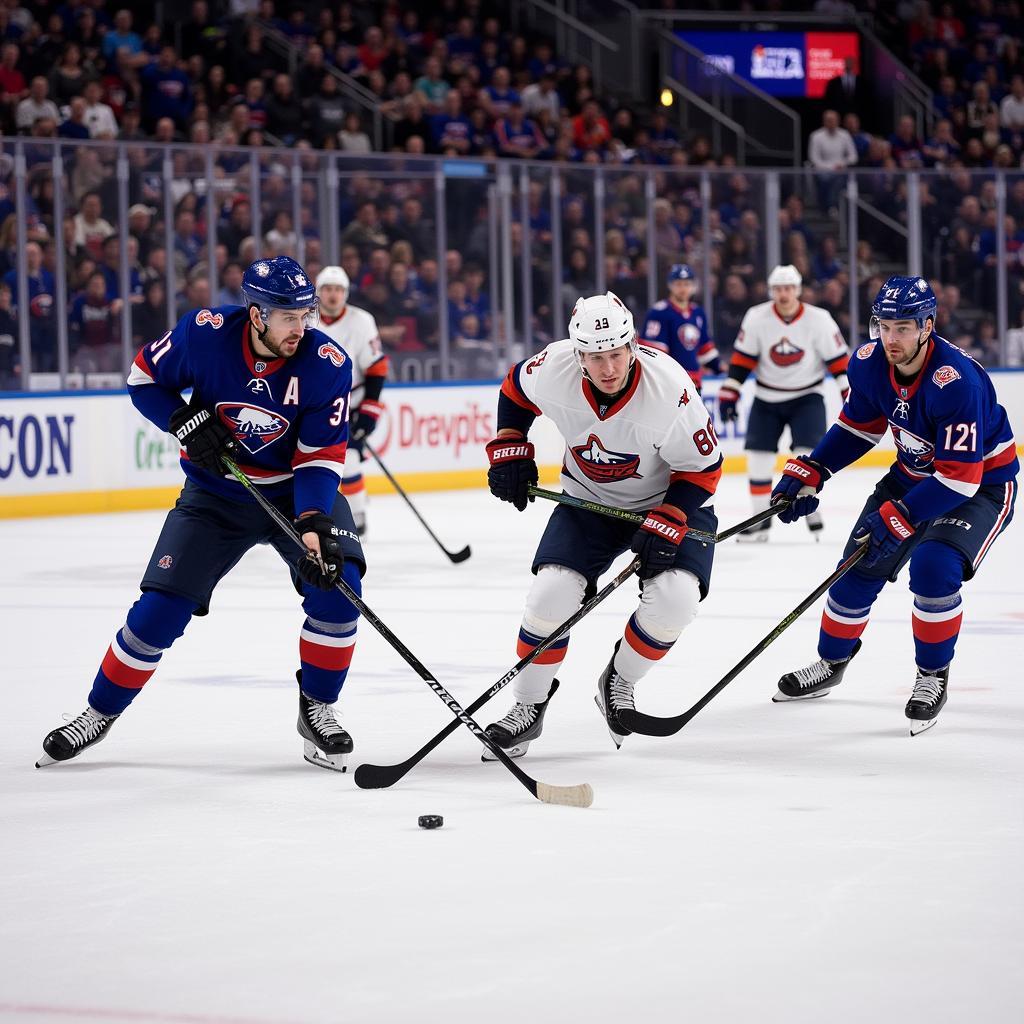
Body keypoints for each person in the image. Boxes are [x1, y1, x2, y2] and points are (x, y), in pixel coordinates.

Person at [36, 256, 366, 772]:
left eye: (305, 315)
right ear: (255, 314)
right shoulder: (205, 334)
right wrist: (182, 419)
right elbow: (142, 379)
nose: (301, 328)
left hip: (290, 496)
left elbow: (319, 457)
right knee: (158, 612)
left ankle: (317, 708)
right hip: (215, 495)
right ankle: (96, 713)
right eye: (288, 317)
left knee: (340, 587)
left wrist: (312, 524)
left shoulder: (327, 363)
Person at [770, 277, 1017, 733]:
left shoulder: (955, 381)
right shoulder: (866, 363)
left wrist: (903, 515)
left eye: (903, 327)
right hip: (912, 477)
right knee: (854, 570)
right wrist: (816, 468)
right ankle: (832, 663)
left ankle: (931, 675)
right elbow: (858, 427)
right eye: (884, 326)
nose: (891, 338)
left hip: (980, 487)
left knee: (932, 568)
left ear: (927, 326)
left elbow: (961, 479)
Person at [482, 291, 721, 756]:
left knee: (675, 601)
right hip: (588, 500)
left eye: (616, 353)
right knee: (551, 593)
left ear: (632, 346)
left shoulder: (671, 387)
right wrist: (510, 443)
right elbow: (514, 391)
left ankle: (619, 680)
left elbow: (703, 468)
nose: (608, 368)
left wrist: (670, 515)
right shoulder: (553, 367)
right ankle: (528, 706)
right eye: (595, 356)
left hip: (667, 501)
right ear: (578, 354)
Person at [718, 264, 850, 542]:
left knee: (809, 457)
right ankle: (759, 523)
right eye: (778, 289)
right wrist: (730, 391)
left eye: (789, 288)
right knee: (758, 462)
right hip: (767, 398)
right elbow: (742, 360)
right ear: (771, 291)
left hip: (807, 397)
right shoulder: (757, 317)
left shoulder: (819, 319)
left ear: (798, 290)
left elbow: (838, 362)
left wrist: (849, 393)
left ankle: (809, 508)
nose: (784, 294)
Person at [315, 266, 389, 537]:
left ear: (345, 293)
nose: (333, 295)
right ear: (318, 292)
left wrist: (369, 410)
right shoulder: (305, 320)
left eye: (338, 290)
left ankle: (357, 516)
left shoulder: (362, 320)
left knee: (349, 459)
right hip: (313, 406)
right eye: (327, 289)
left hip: (350, 404)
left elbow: (377, 368)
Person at [640, 263, 720, 391]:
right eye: (678, 284)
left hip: (695, 381)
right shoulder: (659, 313)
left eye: (687, 284)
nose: (683, 288)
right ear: (670, 285)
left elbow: (704, 348)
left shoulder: (698, 313)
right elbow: (653, 354)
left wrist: (718, 367)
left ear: (693, 286)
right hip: (670, 382)